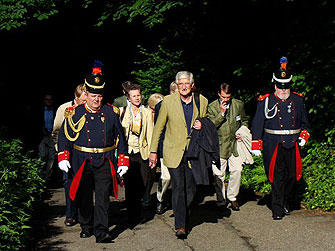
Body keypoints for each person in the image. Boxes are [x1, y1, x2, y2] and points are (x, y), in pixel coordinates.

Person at [57, 63, 129, 243]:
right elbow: (64, 137)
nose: (96, 99)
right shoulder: (74, 113)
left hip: (104, 160)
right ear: (85, 95)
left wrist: (122, 160)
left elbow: (121, 138)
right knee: (84, 196)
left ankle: (102, 230)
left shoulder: (111, 112)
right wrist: (63, 157)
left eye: (99, 96)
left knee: (103, 197)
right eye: (93, 96)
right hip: (81, 160)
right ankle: (86, 225)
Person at [149, 71, 208, 239]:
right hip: (173, 150)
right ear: (176, 85)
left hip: (193, 151)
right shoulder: (168, 102)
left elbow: (207, 124)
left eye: (186, 84)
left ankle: (182, 212)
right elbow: (159, 128)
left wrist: (201, 125)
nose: (183, 87)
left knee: (191, 188)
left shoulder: (201, 101)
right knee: (178, 186)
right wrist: (153, 151)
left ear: (192, 85)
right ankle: (180, 225)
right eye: (180, 84)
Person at [251, 57, 310, 220]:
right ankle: (277, 209)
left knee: (292, 176)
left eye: (286, 87)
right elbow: (257, 123)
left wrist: (304, 135)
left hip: (292, 144)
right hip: (273, 144)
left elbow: (305, 123)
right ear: (275, 85)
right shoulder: (266, 101)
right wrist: (256, 143)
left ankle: (284, 200)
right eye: (280, 87)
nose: (283, 90)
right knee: (277, 177)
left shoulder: (298, 100)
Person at [208, 83, 253, 211]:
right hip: (219, 146)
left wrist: (242, 130)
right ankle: (221, 200)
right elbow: (210, 127)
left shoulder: (238, 104)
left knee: (237, 170)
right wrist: (221, 114)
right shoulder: (211, 107)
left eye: (228, 97)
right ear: (219, 94)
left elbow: (244, 120)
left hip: (234, 144)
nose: (226, 100)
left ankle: (232, 197)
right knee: (219, 175)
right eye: (223, 97)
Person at [51, 84, 87, 227]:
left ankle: (82, 213)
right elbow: (57, 132)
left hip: (83, 153)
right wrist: (60, 152)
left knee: (84, 184)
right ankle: (70, 214)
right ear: (76, 98)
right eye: (83, 101)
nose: (86, 104)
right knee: (69, 183)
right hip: (68, 153)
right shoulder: (64, 109)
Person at [119, 83, 154, 223]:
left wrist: (153, 153)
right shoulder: (122, 111)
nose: (137, 98)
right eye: (134, 96)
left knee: (143, 182)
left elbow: (150, 133)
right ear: (128, 98)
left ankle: (137, 208)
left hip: (142, 151)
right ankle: (132, 214)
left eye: (138, 95)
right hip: (127, 152)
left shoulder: (146, 112)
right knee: (129, 184)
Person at [155, 81, 178, 215]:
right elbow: (159, 128)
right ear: (171, 92)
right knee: (166, 177)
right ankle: (160, 199)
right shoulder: (161, 106)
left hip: (180, 148)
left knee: (179, 179)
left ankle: (177, 204)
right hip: (166, 146)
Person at [38, 94, 56, 181]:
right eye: (47, 99)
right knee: (42, 156)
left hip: (52, 135)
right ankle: (39, 177)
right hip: (42, 136)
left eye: (50, 99)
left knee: (51, 157)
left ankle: (48, 178)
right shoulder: (40, 110)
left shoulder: (55, 110)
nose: (48, 101)